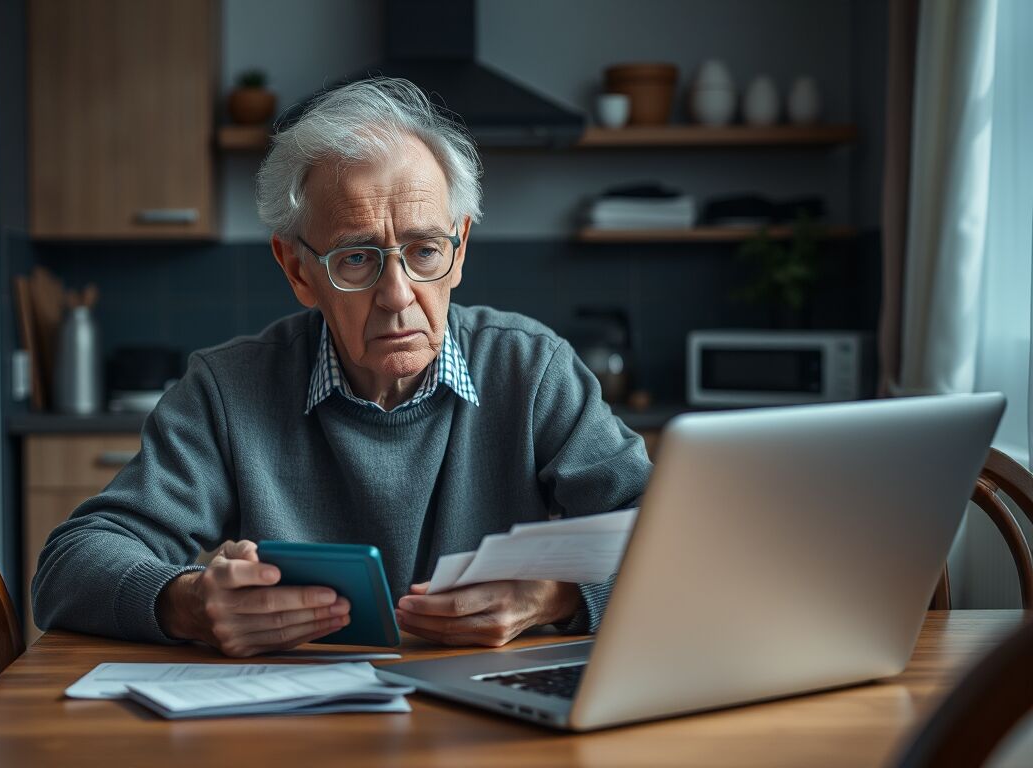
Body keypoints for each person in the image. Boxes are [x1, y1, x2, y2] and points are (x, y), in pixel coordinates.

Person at [32, 77, 651, 657]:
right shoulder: (228, 391)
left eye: (425, 250)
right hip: (295, 713)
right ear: (297, 270)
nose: (397, 296)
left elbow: (673, 537)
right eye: (356, 259)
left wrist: (558, 595)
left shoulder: (532, 369)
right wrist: (188, 602)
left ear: (460, 249)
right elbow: (69, 565)